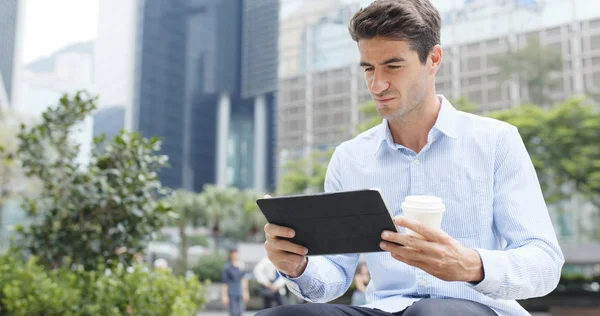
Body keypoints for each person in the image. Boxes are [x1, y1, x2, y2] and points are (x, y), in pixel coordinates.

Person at [257, 1, 565, 315]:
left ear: (433, 59)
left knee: (429, 313)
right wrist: (298, 266)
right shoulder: (349, 158)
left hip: (478, 307)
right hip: (387, 309)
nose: (377, 85)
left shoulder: (495, 141)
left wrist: (471, 265)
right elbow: (335, 275)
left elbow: (545, 263)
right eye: (368, 68)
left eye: (393, 66)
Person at [221, 248, 250, 316]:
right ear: (230, 254)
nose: (235, 255)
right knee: (233, 312)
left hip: (240, 292)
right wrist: (224, 295)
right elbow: (225, 283)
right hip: (231, 292)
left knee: (240, 312)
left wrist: (246, 292)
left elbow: (244, 280)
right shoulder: (227, 267)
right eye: (234, 253)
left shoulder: (241, 266)